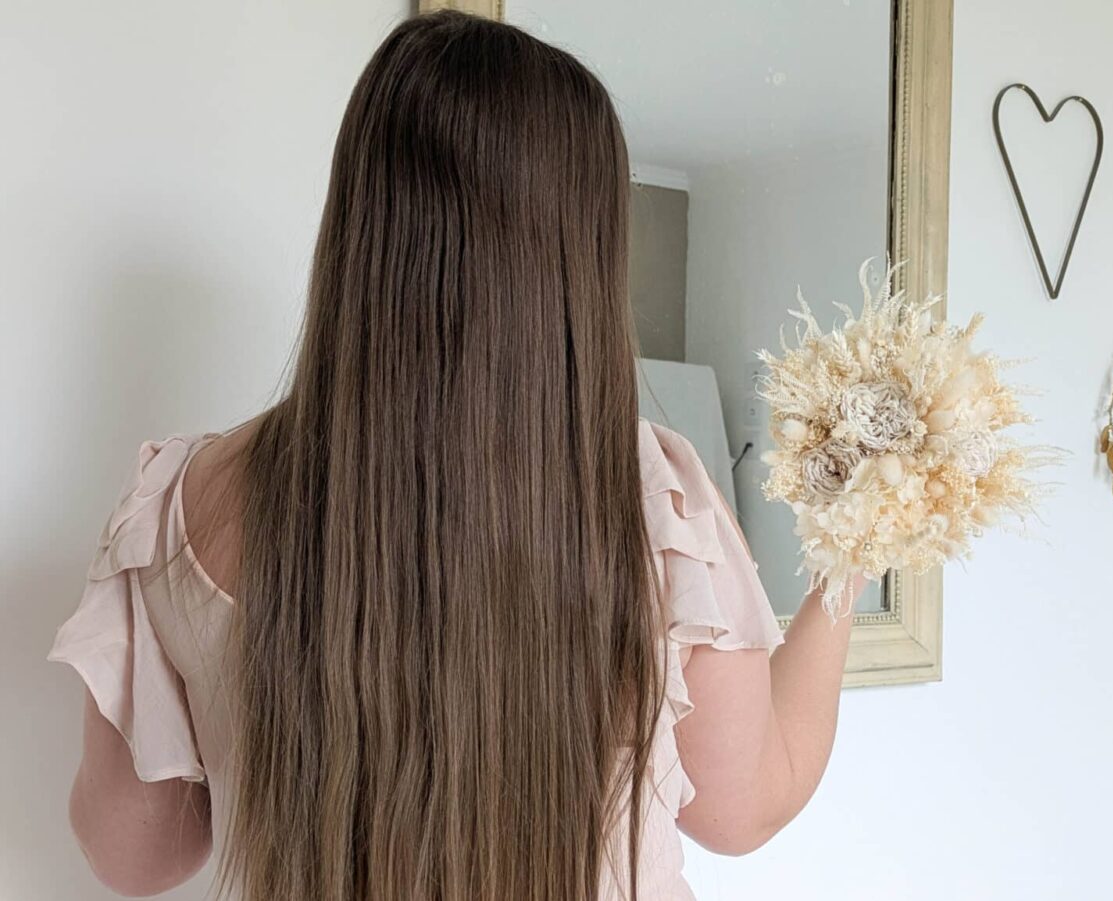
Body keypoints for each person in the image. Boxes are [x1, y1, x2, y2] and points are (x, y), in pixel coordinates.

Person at [48, 11, 863, 900]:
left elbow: (136, 856)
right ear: (579, 257)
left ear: (361, 224)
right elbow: (743, 807)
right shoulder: (654, 503)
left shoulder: (182, 503)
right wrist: (852, 557)